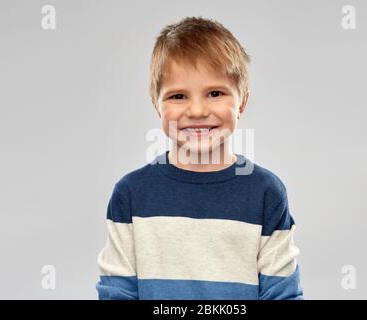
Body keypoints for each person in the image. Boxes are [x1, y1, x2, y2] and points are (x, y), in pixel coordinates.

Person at [95, 16, 303, 300]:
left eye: (215, 93)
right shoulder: (131, 194)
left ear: (242, 101)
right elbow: (117, 292)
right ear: (156, 103)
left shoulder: (266, 193)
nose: (196, 110)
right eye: (178, 96)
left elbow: (282, 294)